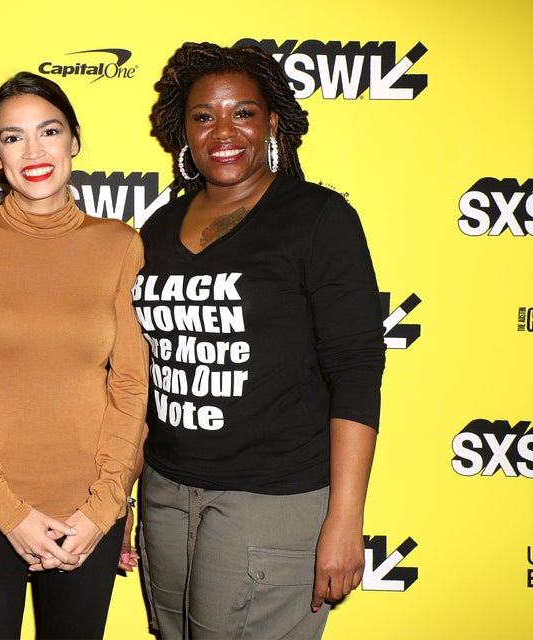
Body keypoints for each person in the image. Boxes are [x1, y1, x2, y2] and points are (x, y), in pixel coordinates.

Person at [131, 42, 386, 639]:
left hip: (271, 500)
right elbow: (142, 373)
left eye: (242, 112)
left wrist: (345, 517)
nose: (223, 131)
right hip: (165, 493)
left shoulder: (318, 218)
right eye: (203, 116)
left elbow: (354, 368)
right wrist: (124, 491)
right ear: (181, 129)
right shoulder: (159, 228)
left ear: (271, 121)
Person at [0, 71, 149, 639]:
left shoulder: (120, 244)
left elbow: (130, 388)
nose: (34, 151)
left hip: (85, 517)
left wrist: (103, 512)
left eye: (48, 131)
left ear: (74, 140)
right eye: (12, 137)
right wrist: (11, 513)